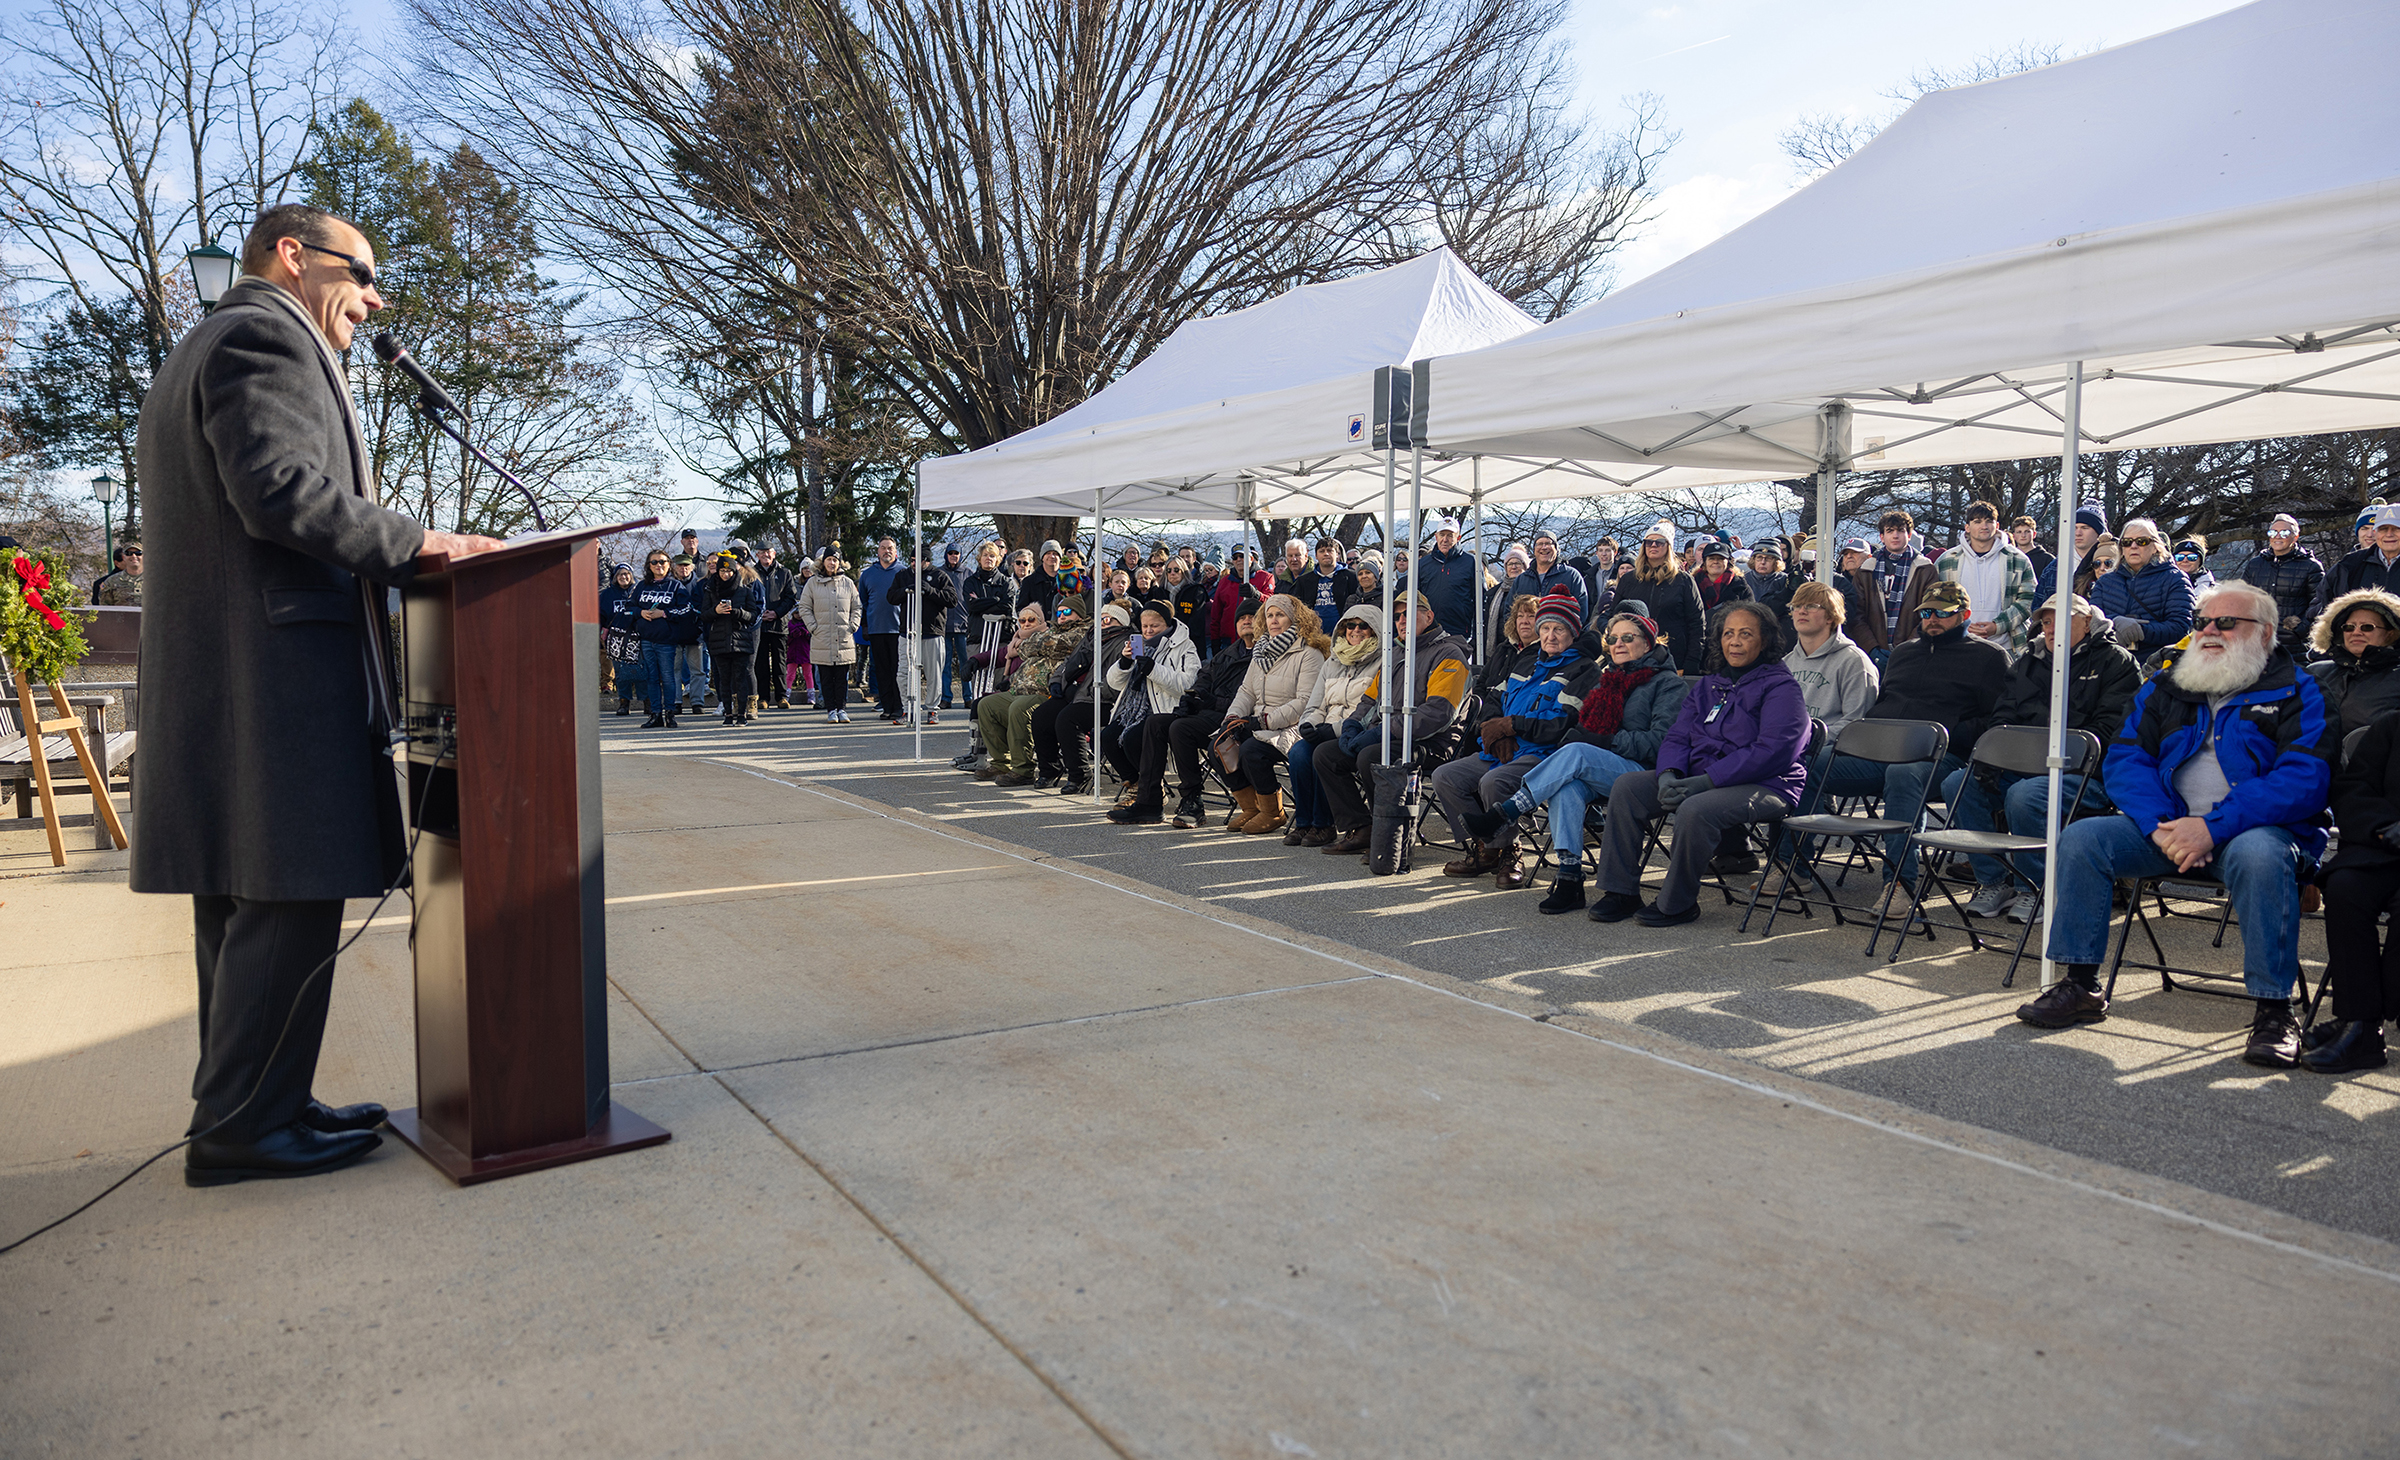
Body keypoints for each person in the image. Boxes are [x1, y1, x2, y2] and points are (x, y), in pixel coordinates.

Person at [133, 202, 507, 1185]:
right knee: (288, 893)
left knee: (244, 900)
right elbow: (280, 490)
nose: (374, 298)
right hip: (275, 676)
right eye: (362, 270)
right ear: (292, 257)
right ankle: (245, 1127)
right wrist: (420, 542)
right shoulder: (265, 332)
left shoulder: (201, 343)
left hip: (228, 672)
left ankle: (253, 1103)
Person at [2016, 583, 2337, 1069]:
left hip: (2260, 835)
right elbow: (2125, 759)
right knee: (2084, 837)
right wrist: (2163, 825)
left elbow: (2303, 779)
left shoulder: (2301, 689)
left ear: (2265, 633)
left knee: (2260, 855)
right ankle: (2080, 984)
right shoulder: (2166, 684)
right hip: (2167, 832)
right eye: (2201, 621)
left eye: (2225, 623)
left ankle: (2275, 1011)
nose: (2209, 631)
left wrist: (2211, 828)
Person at [1587, 602, 1811, 927]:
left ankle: (1678, 903)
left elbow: (1774, 750)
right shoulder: (1709, 685)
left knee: (1696, 809)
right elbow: (1677, 737)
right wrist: (1669, 775)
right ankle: (1620, 892)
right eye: (1728, 633)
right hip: (1699, 777)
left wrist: (1707, 781)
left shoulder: (1781, 687)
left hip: (1767, 783)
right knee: (1628, 788)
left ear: (1764, 641)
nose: (1734, 641)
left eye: (1745, 634)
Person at [1460, 605, 1692, 912]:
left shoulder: (1667, 684)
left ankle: (1506, 813)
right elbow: (1586, 729)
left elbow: (1661, 742)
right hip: (1601, 766)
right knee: (1565, 785)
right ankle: (1569, 877)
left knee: (1575, 753)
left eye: (1628, 638)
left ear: (1649, 643)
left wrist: (1607, 741)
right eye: (1614, 638)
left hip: (1642, 771)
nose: (1618, 644)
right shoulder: (1608, 680)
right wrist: (1591, 739)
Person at [1799, 581, 2010, 888]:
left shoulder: (1989, 657)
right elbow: (1885, 702)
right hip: (1879, 752)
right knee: (1806, 763)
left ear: (1964, 615)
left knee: (1904, 775)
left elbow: (1995, 723)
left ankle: (1900, 884)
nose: (1932, 619)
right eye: (1926, 612)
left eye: (1942, 612)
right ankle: (1792, 867)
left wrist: (1944, 732)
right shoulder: (1904, 653)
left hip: (1941, 757)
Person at [1945, 595, 2140, 921]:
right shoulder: (2028, 661)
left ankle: (2035, 886)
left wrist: (2046, 753)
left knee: (2026, 796)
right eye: (2046, 621)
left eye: (2061, 620)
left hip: (2086, 773)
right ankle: (1993, 880)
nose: (2051, 628)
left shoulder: (2115, 662)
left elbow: (2110, 732)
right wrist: (2001, 757)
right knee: (1957, 783)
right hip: (2022, 765)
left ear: (2087, 621)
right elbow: (2002, 719)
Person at [1433, 588, 1596, 889]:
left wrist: (1513, 726)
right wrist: (1492, 731)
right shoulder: (1526, 662)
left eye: (1558, 629)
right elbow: (1497, 700)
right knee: (1446, 775)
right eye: (1544, 628)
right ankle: (1488, 848)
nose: (1550, 635)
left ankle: (1510, 851)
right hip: (1502, 749)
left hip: (1545, 754)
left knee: (1494, 783)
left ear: (1573, 632)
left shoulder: (1583, 669)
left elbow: (1562, 723)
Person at [1309, 591, 1473, 857]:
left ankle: (1389, 833)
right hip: (1388, 735)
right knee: (1326, 754)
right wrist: (1352, 726)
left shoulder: (1449, 654)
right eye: (1397, 616)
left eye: (1408, 613)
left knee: (1371, 756)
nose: (1401, 620)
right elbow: (1369, 700)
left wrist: (1382, 733)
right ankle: (1362, 828)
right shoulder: (1395, 653)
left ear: (1429, 616)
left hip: (1430, 742)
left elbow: (1437, 714)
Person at [2310, 705, 2400, 1073]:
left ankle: (2371, 1015)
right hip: (2383, 848)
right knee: (2345, 887)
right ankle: (2360, 1024)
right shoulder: (2391, 725)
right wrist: (2386, 826)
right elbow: (2353, 789)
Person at [1217, 594, 1328, 836]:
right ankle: (1251, 807)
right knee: (1220, 745)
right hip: (1260, 721)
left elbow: (1305, 702)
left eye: (1280, 614)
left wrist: (1263, 721)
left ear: (1294, 618)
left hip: (1294, 726)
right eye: (1269, 615)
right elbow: (1246, 691)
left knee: (1251, 751)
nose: (1274, 620)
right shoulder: (1261, 651)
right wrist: (1233, 717)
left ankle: (1273, 812)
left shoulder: (1308, 651)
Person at [1153, 594, 1260, 828]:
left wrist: (1211, 702)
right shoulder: (1227, 653)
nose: (1246, 621)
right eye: (1241, 617)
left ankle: (1192, 801)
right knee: (1156, 723)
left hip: (1238, 719)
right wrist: (1192, 698)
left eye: (1252, 616)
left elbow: (1250, 699)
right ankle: (1149, 798)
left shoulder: (1264, 656)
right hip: (1210, 712)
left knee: (1181, 728)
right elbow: (1203, 678)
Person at [1281, 602, 1384, 844]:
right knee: (1298, 752)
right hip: (1325, 727)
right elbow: (1315, 704)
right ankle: (1305, 823)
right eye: (1350, 625)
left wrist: (1334, 730)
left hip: (1357, 733)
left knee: (1322, 753)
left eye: (1363, 626)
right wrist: (1310, 725)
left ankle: (1323, 824)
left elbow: (1373, 711)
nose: (1355, 630)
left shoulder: (1383, 662)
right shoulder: (1333, 660)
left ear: (1376, 630)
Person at [1098, 602, 1201, 819]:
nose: (1148, 631)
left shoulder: (1184, 646)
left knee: (1134, 738)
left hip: (1164, 708)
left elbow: (1188, 684)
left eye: (1154, 626)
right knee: (1108, 737)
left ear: (1168, 623)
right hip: (1132, 709)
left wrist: (1153, 669)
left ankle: (1150, 792)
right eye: (1144, 626)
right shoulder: (1139, 645)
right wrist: (1124, 663)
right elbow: (1114, 683)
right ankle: (1138, 786)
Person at [1931, 499, 2038, 657]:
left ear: (1997, 526)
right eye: (1977, 521)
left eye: (1989, 521)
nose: (1984, 526)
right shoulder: (1947, 560)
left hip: (2007, 647)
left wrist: (1997, 625)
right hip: (1957, 646)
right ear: (1967, 527)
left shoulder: (2017, 559)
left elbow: (2029, 599)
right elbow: (1936, 602)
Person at [1782, 581, 1880, 742]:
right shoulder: (1785, 663)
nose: (1801, 611)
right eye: (1796, 606)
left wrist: (1809, 738)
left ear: (1831, 616)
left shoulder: (1854, 662)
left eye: (1811, 606)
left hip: (1827, 752)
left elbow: (1855, 723)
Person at [2091, 517, 2197, 657]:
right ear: (2121, 549)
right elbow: (2090, 621)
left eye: (2142, 541)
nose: (2133, 546)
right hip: (2109, 663)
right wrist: (2115, 622)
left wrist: (2141, 630)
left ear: (2155, 547)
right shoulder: (2105, 582)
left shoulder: (2176, 579)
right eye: (2127, 542)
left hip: (2154, 664)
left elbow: (2181, 628)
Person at [2306, 589, 2400, 737]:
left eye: (2367, 627)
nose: (2356, 632)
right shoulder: (2315, 672)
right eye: (2349, 627)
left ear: (2390, 634)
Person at [1617, 521, 1707, 672]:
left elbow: (1697, 623)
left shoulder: (1683, 581)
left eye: (1659, 542)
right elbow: (1615, 616)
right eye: (1649, 542)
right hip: (1634, 659)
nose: (1653, 546)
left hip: (1674, 660)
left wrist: (1692, 661)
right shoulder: (1629, 580)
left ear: (1668, 547)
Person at [887, 546, 958, 723]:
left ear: (927, 561)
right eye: (911, 560)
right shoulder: (903, 576)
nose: (913, 564)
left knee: (933, 673)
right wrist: (906, 590)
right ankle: (907, 708)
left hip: (932, 632)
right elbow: (891, 597)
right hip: (908, 632)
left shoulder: (940, 576)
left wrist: (931, 591)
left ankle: (933, 709)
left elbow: (952, 599)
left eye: (917, 561)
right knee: (904, 672)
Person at [694, 551, 765, 724]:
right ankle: (727, 713)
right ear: (717, 572)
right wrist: (715, 611)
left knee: (741, 678)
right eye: (722, 571)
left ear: (735, 572)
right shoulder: (711, 590)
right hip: (718, 640)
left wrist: (738, 613)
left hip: (740, 640)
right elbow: (703, 615)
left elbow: (753, 615)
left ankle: (741, 714)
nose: (726, 574)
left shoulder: (745, 591)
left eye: (729, 571)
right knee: (724, 679)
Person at [2241, 512, 2324, 658]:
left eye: (2284, 532)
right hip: (2256, 644)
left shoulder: (2311, 567)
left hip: (2294, 647)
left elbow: (2320, 604)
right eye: (2273, 532)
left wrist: (2300, 630)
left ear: (2295, 537)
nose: (2277, 536)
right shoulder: (2255, 564)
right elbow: (2241, 599)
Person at [798, 547, 861, 723]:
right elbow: (804, 607)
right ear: (823, 561)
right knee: (826, 677)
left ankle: (842, 709)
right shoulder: (812, 583)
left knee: (842, 677)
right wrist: (813, 627)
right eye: (829, 559)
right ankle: (831, 709)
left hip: (843, 636)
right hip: (822, 636)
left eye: (835, 560)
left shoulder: (847, 583)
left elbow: (857, 606)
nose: (832, 563)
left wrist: (853, 625)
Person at [631, 549, 691, 728]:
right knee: (651, 677)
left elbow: (686, 609)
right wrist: (640, 612)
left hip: (666, 640)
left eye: (663, 562)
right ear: (649, 566)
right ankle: (655, 715)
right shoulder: (642, 586)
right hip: (646, 639)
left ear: (669, 564)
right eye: (654, 562)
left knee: (668, 677)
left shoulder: (675, 586)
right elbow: (629, 608)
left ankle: (670, 714)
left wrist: (663, 613)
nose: (659, 565)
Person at [1869, 509, 1937, 655]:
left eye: (1900, 530)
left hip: (1914, 651)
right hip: (1873, 653)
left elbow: (1929, 612)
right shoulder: (1867, 569)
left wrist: (1909, 647)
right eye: (1890, 531)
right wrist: (1872, 648)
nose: (1895, 535)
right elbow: (1858, 613)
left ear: (1909, 535)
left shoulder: (1925, 569)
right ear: (1882, 537)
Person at [2317, 503, 2400, 619]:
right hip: (2357, 636)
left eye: (2397, 529)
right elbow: (2323, 604)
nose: (2389, 534)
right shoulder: (2349, 564)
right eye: (2383, 529)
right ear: (2376, 533)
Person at [856, 537, 905, 721]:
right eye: (883, 548)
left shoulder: (903, 572)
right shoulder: (868, 574)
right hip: (877, 629)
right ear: (878, 552)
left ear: (896, 552)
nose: (887, 551)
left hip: (899, 630)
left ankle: (899, 707)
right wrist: (866, 625)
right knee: (882, 671)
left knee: (898, 670)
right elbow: (864, 602)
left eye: (890, 548)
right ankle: (886, 706)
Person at [1414, 514, 1479, 640]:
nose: (1445, 539)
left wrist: (1476, 635)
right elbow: (1414, 598)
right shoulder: (1422, 564)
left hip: (1459, 633)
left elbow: (1480, 600)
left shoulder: (1470, 563)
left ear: (1458, 537)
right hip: (1428, 632)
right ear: (1436, 537)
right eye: (1442, 535)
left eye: (1450, 535)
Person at [2034, 503, 2110, 606]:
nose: (2078, 533)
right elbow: (2038, 607)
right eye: (2074, 527)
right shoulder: (2054, 568)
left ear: (2099, 532)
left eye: (2085, 527)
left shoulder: (2112, 564)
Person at [753, 544, 797, 710]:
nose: (766, 555)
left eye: (768, 552)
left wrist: (776, 613)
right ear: (757, 555)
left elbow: (791, 597)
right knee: (760, 663)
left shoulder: (784, 573)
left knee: (780, 663)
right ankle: (763, 697)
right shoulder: (752, 573)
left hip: (779, 625)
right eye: (762, 552)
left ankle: (781, 697)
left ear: (774, 553)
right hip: (759, 625)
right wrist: (760, 613)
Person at [1510, 530, 1587, 624]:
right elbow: (1509, 611)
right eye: (1539, 544)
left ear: (1556, 549)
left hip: (1558, 636)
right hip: (1527, 637)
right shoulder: (1521, 579)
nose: (1544, 547)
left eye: (1548, 543)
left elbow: (1582, 611)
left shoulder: (1571, 576)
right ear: (1534, 549)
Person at [1290, 537, 1358, 635]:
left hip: (1343, 632)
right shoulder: (1304, 581)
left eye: (1330, 551)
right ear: (1316, 556)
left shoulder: (1350, 577)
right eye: (1321, 551)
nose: (1326, 554)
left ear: (1337, 554)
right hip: (1314, 634)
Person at [666, 553, 709, 711]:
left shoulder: (699, 584)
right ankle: (676, 701)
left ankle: (697, 702)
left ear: (692, 567)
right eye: (680, 566)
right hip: (673, 632)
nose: (683, 569)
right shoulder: (668, 584)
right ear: (674, 568)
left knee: (697, 670)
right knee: (674, 670)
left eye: (686, 566)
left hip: (694, 632)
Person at [600, 560, 640, 714]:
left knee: (639, 671)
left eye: (626, 574)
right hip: (615, 637)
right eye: (620, 574)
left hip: (636, 636)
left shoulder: (638, 590)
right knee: (620, 672)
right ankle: (624, 703)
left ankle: (647, 702)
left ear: (631, 575)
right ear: (615, 577)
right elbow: (601, 615)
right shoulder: (607, 593)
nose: (623, 577)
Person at [935, 542, 970, 708]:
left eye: (956, 553)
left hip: (964, 624)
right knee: (945, 663)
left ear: (960, 555)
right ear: (946, 555)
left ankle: (968, 696)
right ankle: (946, 698)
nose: (953, 556)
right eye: (951, 553)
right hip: (944, 624)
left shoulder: (968, 573)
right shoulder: (939, 573)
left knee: (967, 662)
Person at [1163, 558, 1209, 656]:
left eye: (1176, 570)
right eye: (1169, 570)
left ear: (1184, 571)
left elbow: (1197, 622)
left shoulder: (1196, 591)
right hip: (1164, 644)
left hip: (1191, 644)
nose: (1172, 573)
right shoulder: (1159, 592)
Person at [1693, 541, 1751, 617]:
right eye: (1711, 558)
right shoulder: (1692, 583)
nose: (1715, 562)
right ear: (1704, 562)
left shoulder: (1740, 585)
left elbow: (1750, 613)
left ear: (1728, 562)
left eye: (1721, 559)